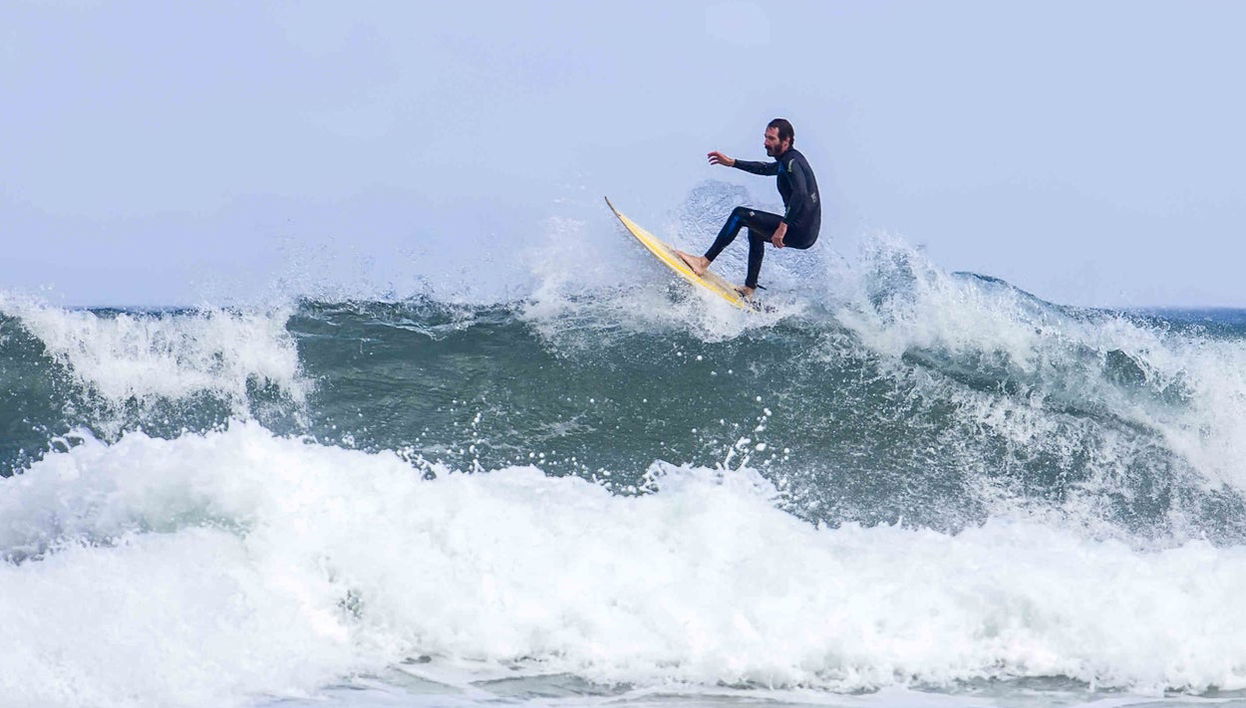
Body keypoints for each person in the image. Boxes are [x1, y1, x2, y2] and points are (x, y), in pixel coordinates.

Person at [676, 118, 821, 298]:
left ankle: (702, 262)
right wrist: (732, 162)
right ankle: (749, 288)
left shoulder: (791, 162)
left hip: (799, 229)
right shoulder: (790, 161)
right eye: (765, 137)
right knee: (755, 231)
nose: (766, 143)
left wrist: (783, 226)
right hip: (806, 232)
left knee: (740, 215)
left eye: (771, 139)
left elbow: (801, 194)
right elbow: (766, 169)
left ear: (786, 141)